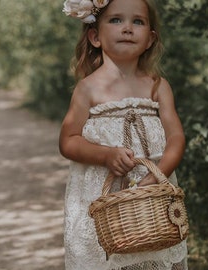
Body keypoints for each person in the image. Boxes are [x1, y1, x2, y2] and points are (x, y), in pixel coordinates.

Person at [59, 0, 188, 269]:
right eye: (116, 20)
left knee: (154, 256)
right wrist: (105, 155)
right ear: (95, 36)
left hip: (153, 203)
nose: (127, 28)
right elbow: (68, 141)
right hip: (101, 202)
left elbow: (176, 138)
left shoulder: (157, 87)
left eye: (138, 21)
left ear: (150, 39)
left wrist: (156, 176)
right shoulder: (88, 89)